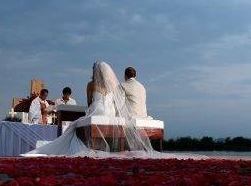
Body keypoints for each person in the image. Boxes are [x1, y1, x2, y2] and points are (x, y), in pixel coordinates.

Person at [24, 62, 154, 157]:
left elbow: (89, 102)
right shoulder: (113, 86)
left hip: (97, 110)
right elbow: (116, 102)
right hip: (110, 112)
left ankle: (88, 146)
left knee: (74, 125)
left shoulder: (91, 84)